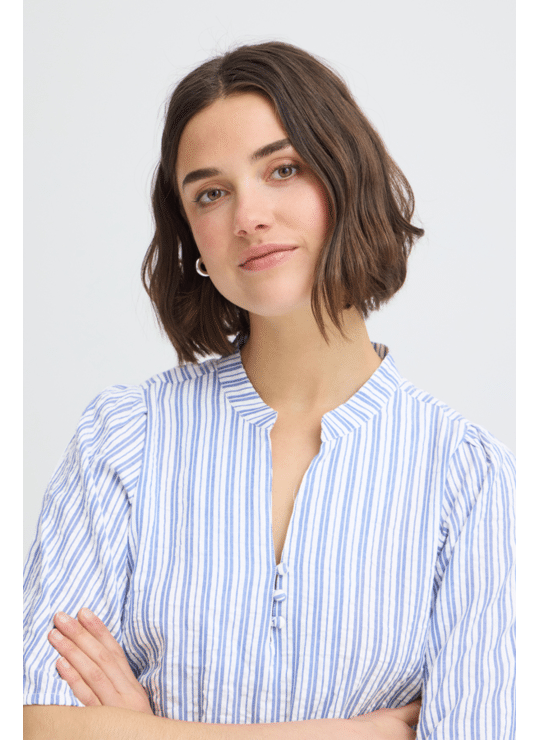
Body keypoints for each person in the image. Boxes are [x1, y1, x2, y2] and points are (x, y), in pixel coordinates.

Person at [23, 42, 515, 739]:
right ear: (192, 235)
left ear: (346, 180)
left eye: (283, 169)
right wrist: (350, 733)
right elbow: (36, 722)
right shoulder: (124, 437)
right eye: (211, 193)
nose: (248, 217)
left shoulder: (470, 480)